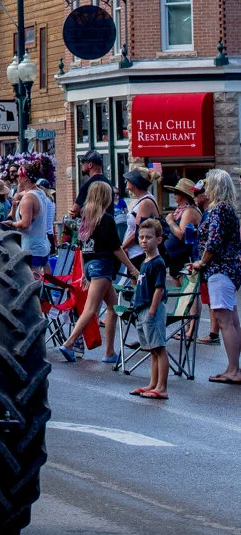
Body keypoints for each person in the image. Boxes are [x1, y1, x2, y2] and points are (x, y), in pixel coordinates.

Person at [58, 181, 137, 364]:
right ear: (106, 196)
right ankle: (69, 343)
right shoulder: (106, 218)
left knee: (112, 307)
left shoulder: (87, 216)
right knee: (91, 309)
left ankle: (109, 352)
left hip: (91, 264)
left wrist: (85, 272)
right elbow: (116, 248)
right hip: (102, 265)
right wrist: (132, 267)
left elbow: (82, 246)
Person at [190, 168, 241, 385]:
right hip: (229, 269)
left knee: (224, 321)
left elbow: (214, 242)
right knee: (232, 320)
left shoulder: (219, 210)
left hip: (220, 269)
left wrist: (202, 261)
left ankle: (233, 369)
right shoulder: (228, 209)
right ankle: (234, 367)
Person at [129, 217, 169, 399]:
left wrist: (152, 310)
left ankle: (162, 387)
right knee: (153, 350)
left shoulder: (158, 263)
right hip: (142, 308)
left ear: (158, 240)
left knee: (159, 348)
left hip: (151, 310)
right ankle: (153, 383)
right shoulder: (145, 262)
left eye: (149, 237)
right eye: (141, 237)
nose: (144, 241)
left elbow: (159, 289)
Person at [13, 164, 49, 277]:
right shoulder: (40, 193)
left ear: (25, 178)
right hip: (43, 245)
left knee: (31, 281)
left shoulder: (28, 199)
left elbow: (25, 224)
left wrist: (12, 223)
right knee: (40, 281)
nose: (17, 179)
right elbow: (21, 194)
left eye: (18, 176)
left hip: (31, 248)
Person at [163, 178, 202, 277]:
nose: (174, 195)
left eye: (176, 193)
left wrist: (170, 221)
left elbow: (181, 235)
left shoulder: (189, 211)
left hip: (182, 256)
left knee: (184, 288)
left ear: (184, 195)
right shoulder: (180, 210)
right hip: (175, 256)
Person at [122, 167, 161, 267]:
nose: (126, 181)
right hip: (134, 253)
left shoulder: (145, 203)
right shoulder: (141, 200)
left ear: (135, 183)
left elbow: (138, 231)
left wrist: (122, 248)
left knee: (140, 282)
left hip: (140, 254)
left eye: (129, 179)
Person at [70, 150, 110, 218]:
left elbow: (73, 211)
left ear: (90, 165)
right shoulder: (108, 184)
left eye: (83, 163)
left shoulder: (87, 186)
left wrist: (75, 213)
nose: (81, 165)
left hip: (91, 226)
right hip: (108, 225)